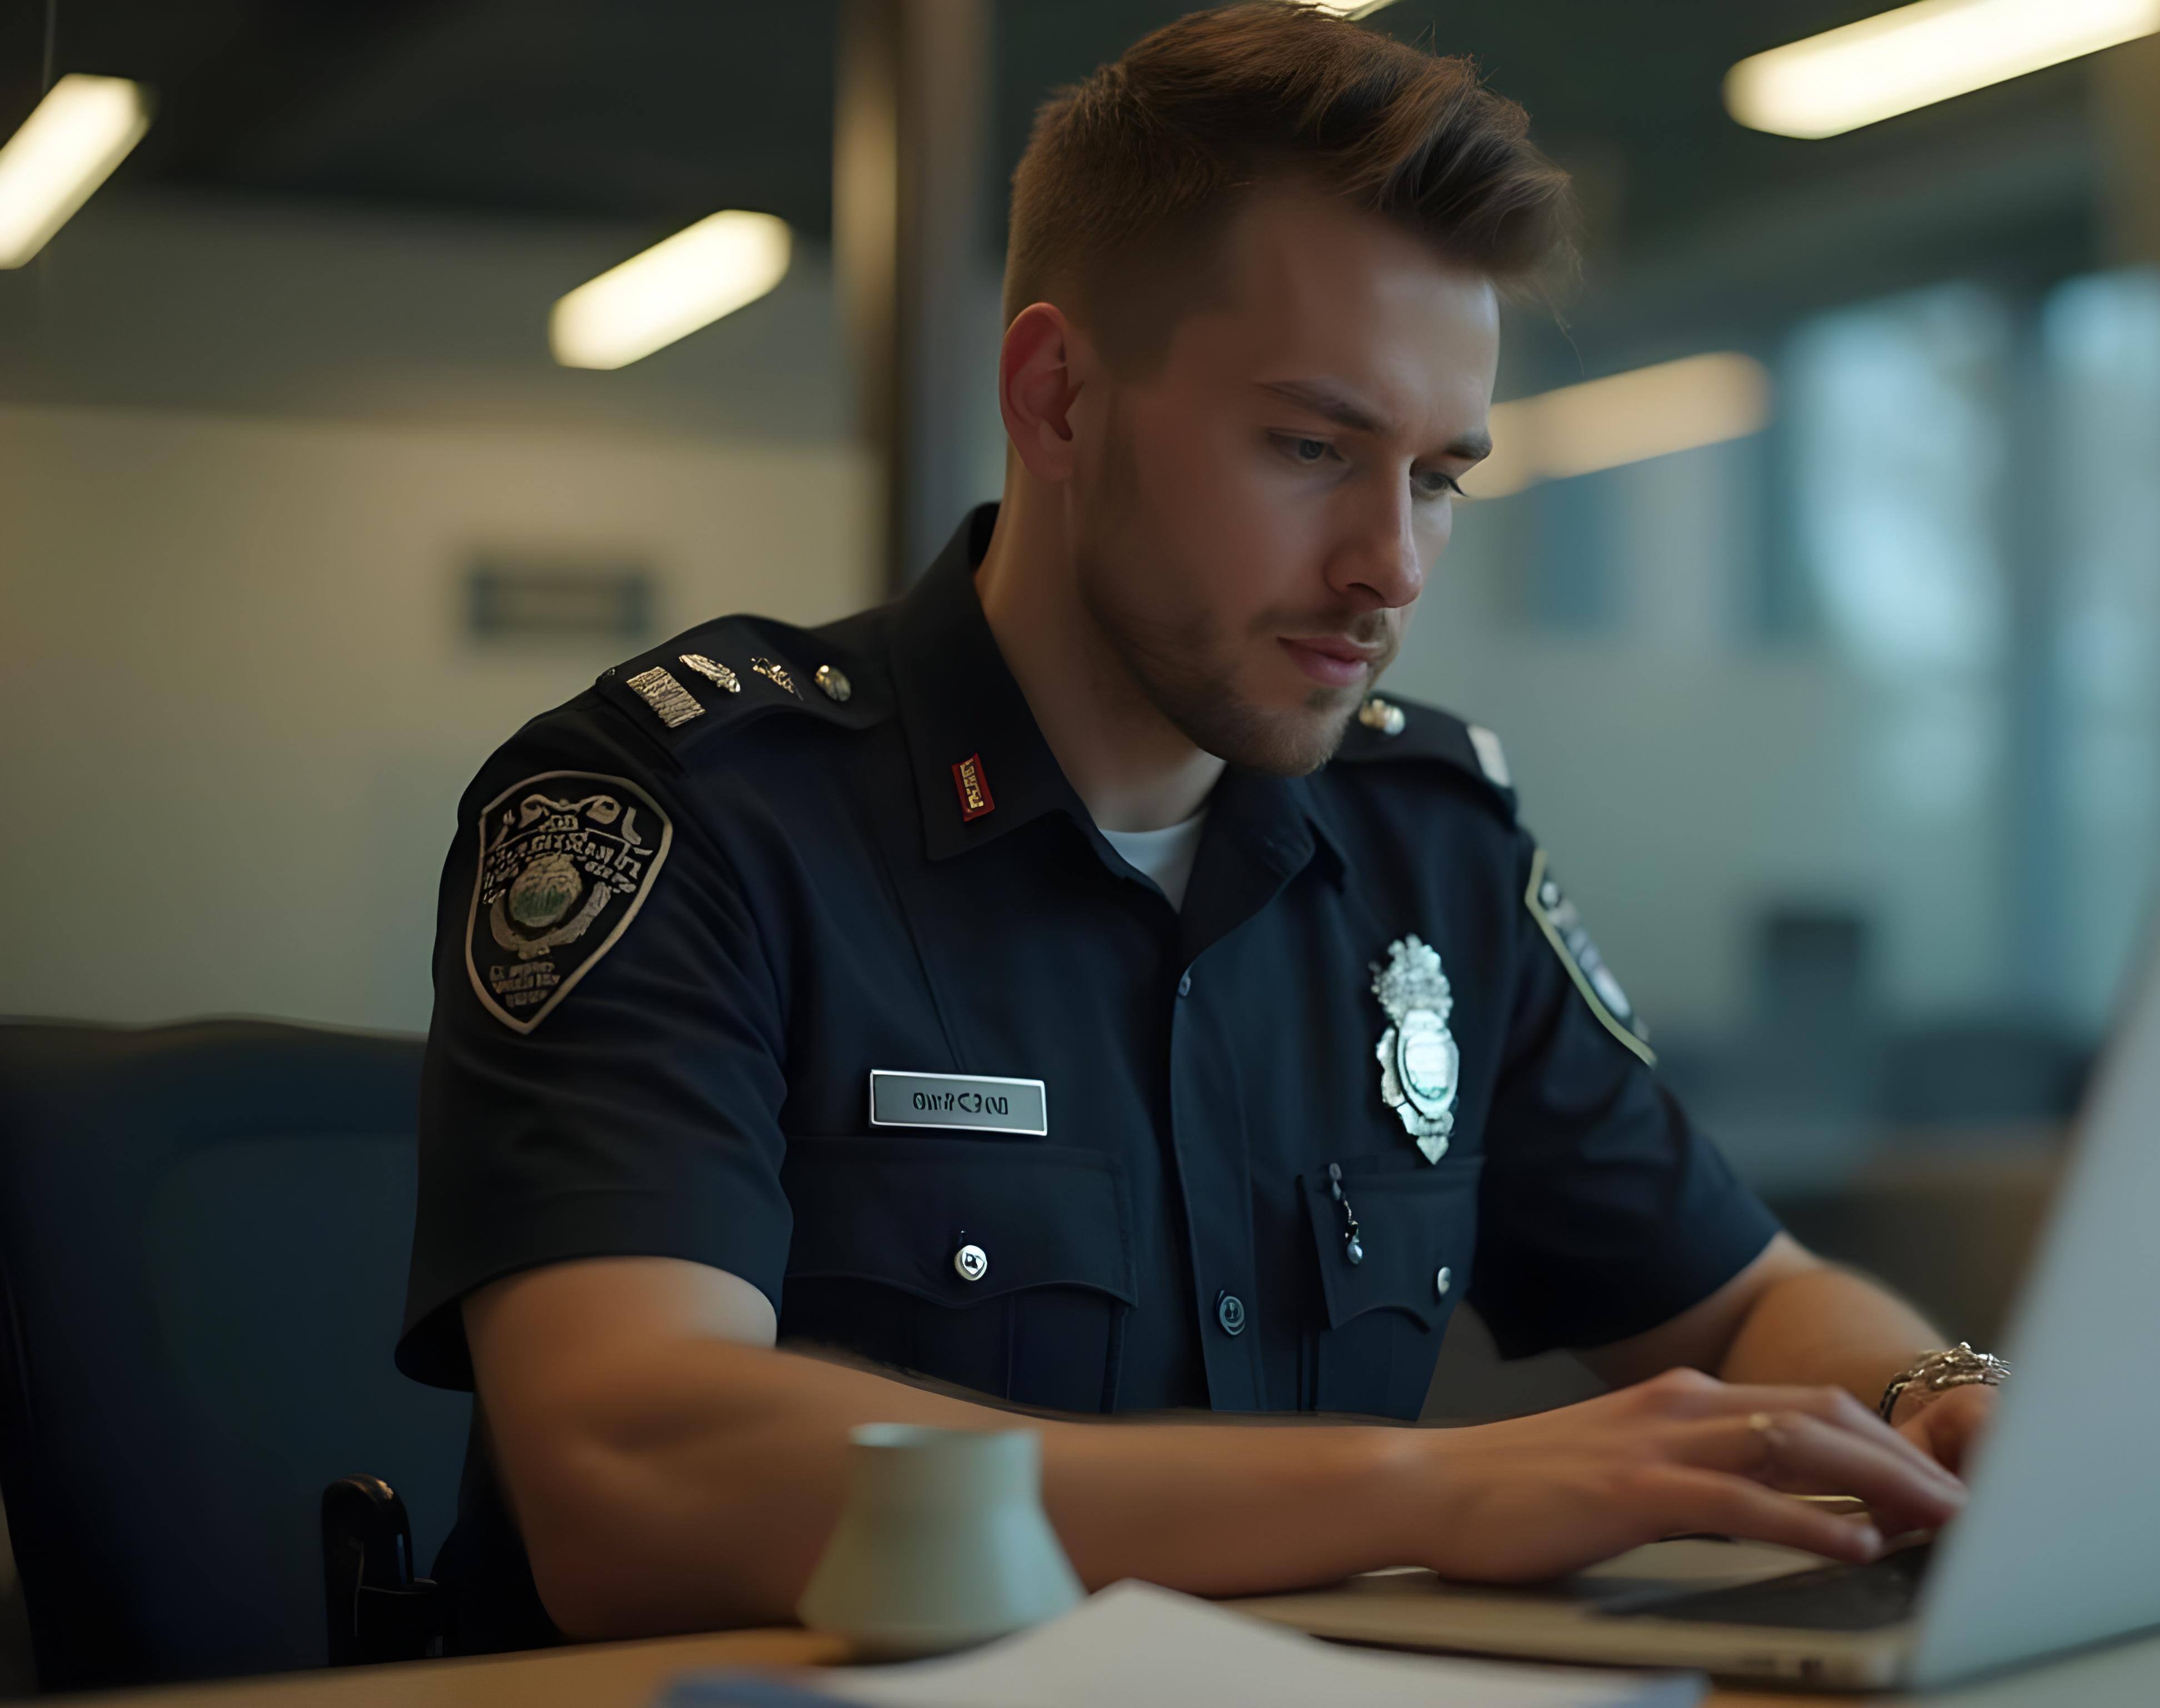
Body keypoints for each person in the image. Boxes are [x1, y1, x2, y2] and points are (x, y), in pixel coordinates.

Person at [398, 2, 2000, 1652]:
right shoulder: (689, 817)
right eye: (1312, 446)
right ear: (1059, 400)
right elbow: (627, 1470)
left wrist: (1949, 1398)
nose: (1394, 564)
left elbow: (1743, 1301)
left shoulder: (1425, 850)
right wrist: (1426, 1491)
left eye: (1441, 475)